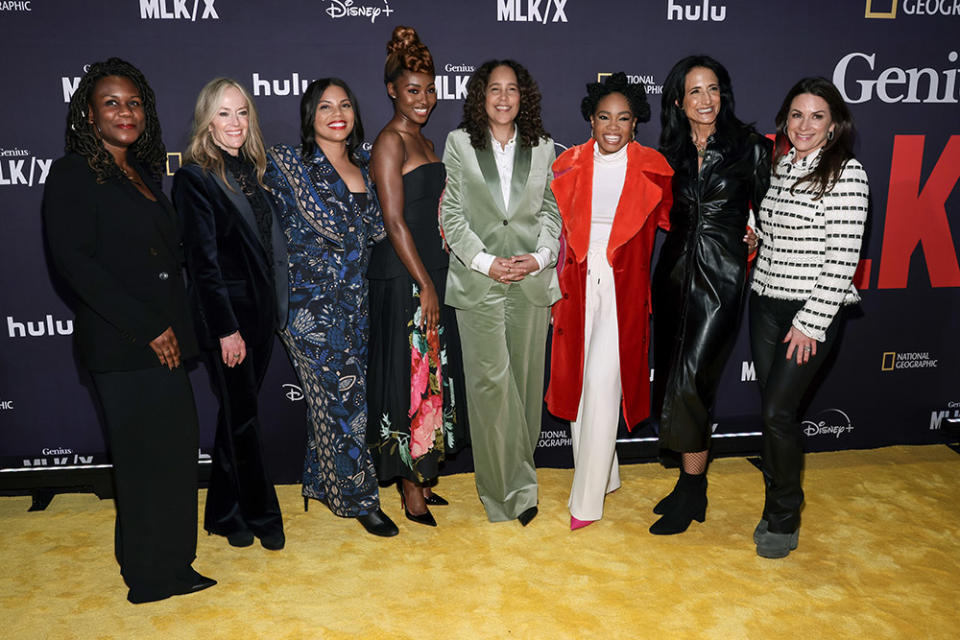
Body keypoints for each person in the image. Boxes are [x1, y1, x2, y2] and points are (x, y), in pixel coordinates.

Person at [42, 57, 215, 603]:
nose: (125, 111)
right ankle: (146, 576)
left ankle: (175, 562)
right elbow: (76, 264)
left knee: (175, 453)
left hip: (165, 342)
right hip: (123, 346)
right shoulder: (73, 173)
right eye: (111, 103)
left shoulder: (141, 173)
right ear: (89, 116)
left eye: (134, 102)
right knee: (142, 463)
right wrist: (147, 328)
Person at [265, 78, 398, 537]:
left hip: (357, 306)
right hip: (309, 312)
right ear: (310, 115)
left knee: (343, 398)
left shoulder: (367, 165)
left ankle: (320, 482)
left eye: (345, 104)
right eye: (325, 106)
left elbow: (382, 234)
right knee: (347, 404)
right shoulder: (287, 165)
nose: (336, 113)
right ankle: (359, 500)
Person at [648, 55, 772, 536]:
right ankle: (686, 484)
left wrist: (757, 233)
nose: (706, 100)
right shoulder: (670, 153)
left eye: (713, 88)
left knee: (695, 382)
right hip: (674, 275)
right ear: (679, 100)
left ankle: (694, 490)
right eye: (695, 91)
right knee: (674, 381)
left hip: (721, 279)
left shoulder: (751, 148)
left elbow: (771, 210)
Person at [546, 73, 673, 530]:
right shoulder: (567, 165)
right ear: (591, 120)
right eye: (604, 117)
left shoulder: (656, 168)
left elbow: (688, 222)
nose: (613, 126)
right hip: (575, 288)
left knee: (601, 386)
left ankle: (586, 504)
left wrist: (747, 231)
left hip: (625, 293)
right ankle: (606, 475)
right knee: (579, 389)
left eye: (624, 117)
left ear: (636, 122)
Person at [750, 77, 868, 558]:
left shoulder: (847, 173)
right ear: (785, 120)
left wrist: (811, 322)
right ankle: (777, 502)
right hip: (765, 304)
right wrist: (757, 239)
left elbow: (842, 259)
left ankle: (783, 516)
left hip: (809, 310)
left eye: (817, 116)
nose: (805, 125)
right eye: (797, 115)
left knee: (778, 413)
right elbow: (775, 230)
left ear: (834, 123)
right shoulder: (780, 166)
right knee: (775, 414)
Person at [440, 59, 561, 526]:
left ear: (523, 96)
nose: (504, 97)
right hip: (479, 281)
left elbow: (551, 212)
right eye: (495, 89)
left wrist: (541, 257)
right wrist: (488, 263)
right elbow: (452, 214)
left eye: (513, 89)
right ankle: (501, 494)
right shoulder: (459, 144)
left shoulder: (544, 146)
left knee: (526, 390)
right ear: (481, 96)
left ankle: (521, 481)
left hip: (530, 281)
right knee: (491, 391)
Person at [172, 78, 287, 550]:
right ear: (207, 120)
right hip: (230, 323)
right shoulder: (195, 178)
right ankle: (263, 517)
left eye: (242, 112)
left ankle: (223, 511)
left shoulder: (254, 171)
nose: (235, 123)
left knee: (235, 416)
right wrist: (226, 330)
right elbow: (203, 265)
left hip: (261, 317)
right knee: (243, 420)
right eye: (224, 113)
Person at [367, 26, 469, 527]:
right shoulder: (389, 142)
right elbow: (394, 221)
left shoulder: (426, 139)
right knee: (414, 379)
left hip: (435, 270)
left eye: (430, 89)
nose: (424, 99)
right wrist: (425, 283)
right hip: (408, 277)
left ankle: (424, 470)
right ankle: (409, 485)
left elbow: (435, 209)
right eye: (413, 90)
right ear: (392, 90)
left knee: (433, 376)